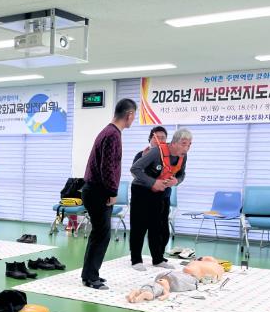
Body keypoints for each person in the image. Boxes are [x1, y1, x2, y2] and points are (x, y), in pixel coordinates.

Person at [81, 98, 137, 290]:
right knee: (102, 235)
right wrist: (113, 192)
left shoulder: (108, 131)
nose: (133, 119)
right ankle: (91, 277)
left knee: (98, 234)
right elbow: (107, 167)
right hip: (99, 192)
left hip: (93, 190)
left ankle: (89, 274)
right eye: (134, 116)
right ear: (129, 114)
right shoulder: (113, 134)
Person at [130, 128, 191, 270]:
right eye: (184, 144)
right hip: (141, 190)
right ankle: (136, 260)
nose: (187, 148)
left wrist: (176, 181)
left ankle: (157, 259)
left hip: (160, 193)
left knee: (157, 227)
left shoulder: (183, 156)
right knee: (139, 226)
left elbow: (182, 174)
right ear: (174, 142)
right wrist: (153, 182)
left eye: (189, 144)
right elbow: (135, 169)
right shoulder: (156, 152)